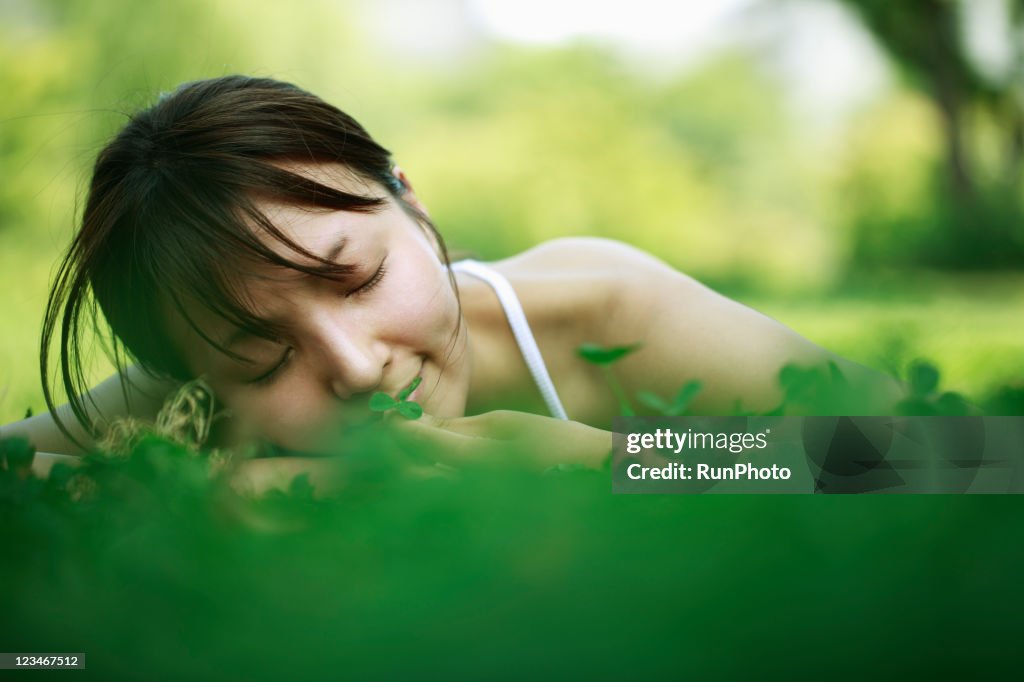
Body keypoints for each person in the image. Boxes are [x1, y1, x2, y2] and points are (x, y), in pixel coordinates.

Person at [1, 75, 901, 491]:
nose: (353, 367)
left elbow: (964, 459)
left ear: (414, 207)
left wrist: (608, 465)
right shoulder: (192, 393)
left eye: (355, 279)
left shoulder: (608, 310)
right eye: (263, 359)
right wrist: (217, 493)